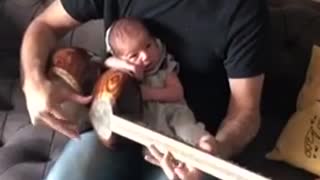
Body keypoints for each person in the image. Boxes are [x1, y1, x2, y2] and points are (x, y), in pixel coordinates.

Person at [20, 0, 269, 179]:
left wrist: (216, 150)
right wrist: (33, 82)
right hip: (116, 132)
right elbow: (45, 25)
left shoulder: (244, 9)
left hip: (187, 147)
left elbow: (245, 111)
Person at [104, 17, 214, 150]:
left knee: (185, 127)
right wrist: (128, 67)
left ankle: (203, 141)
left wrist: (147, 93)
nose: (145, 56)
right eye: (134, 56)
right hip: (148, 124)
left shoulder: (163, 66)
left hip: (172, 112)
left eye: (148, 45)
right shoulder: (125, 74)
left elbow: (177, 93)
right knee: (151, 145)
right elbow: (107, 63)